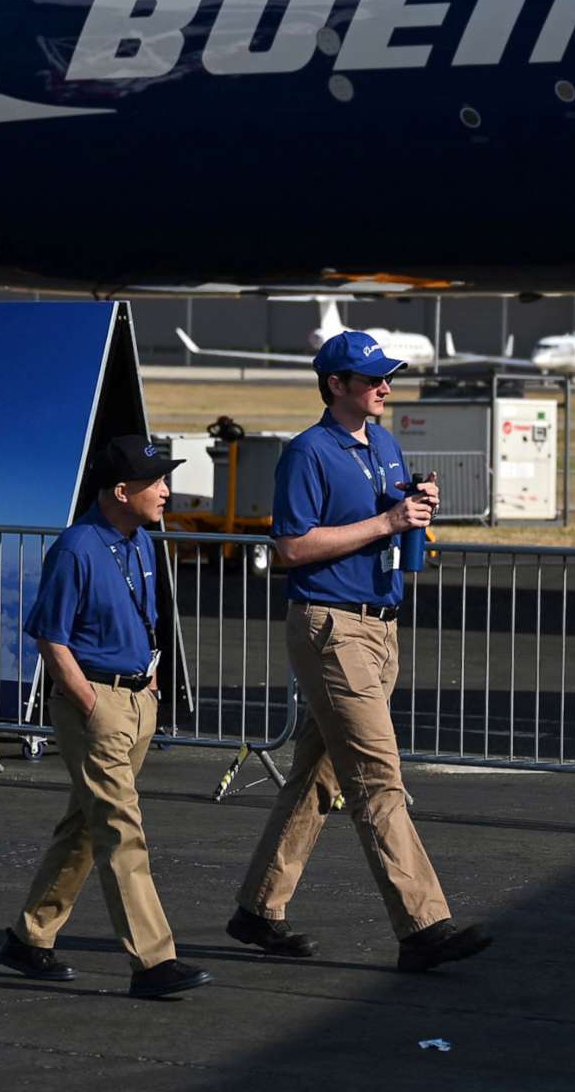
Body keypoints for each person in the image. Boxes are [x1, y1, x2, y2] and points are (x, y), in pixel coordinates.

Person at [227, 332, 493, 973]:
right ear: (335, 385)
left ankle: (259, 909)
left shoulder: (386, 444)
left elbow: (391, 522)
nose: (385, 385)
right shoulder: (308, 453)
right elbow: (290, 549)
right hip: (331, 628)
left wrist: (416, 512)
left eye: (386, 375)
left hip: (380, 626)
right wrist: (387, 522)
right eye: (370, 377)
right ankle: (423, 926)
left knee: (317, 775)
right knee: (378, 777)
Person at [0, 435, 212, 1000]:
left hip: (138, 699)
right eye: (156, 481)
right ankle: (153, 961)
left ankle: (29, 937)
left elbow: (143, 618)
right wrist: (89, 702)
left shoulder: (138, 540)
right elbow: (50, 635)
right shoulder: (77, 548)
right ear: (121, 490)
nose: (167, 490)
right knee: (122, 828)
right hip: (96, 704)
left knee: (87, 828)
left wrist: (152, 678)